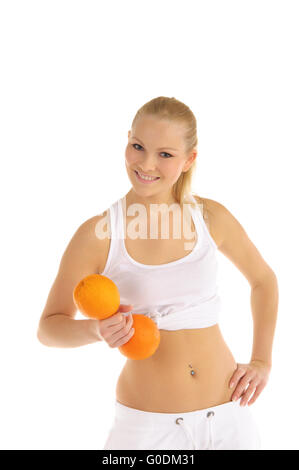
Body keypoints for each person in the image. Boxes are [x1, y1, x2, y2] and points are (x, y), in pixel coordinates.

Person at [37, 96, 278, 450]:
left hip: (229, 419)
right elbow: (48, 328)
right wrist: (96, 330)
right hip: (148, 430)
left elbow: (264, 281)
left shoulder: (210, 218)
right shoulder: (99, 233)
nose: (146, 163)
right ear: (128, 141)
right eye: (138, 147)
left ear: (188, 160)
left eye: (165, 154)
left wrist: (261, 361)